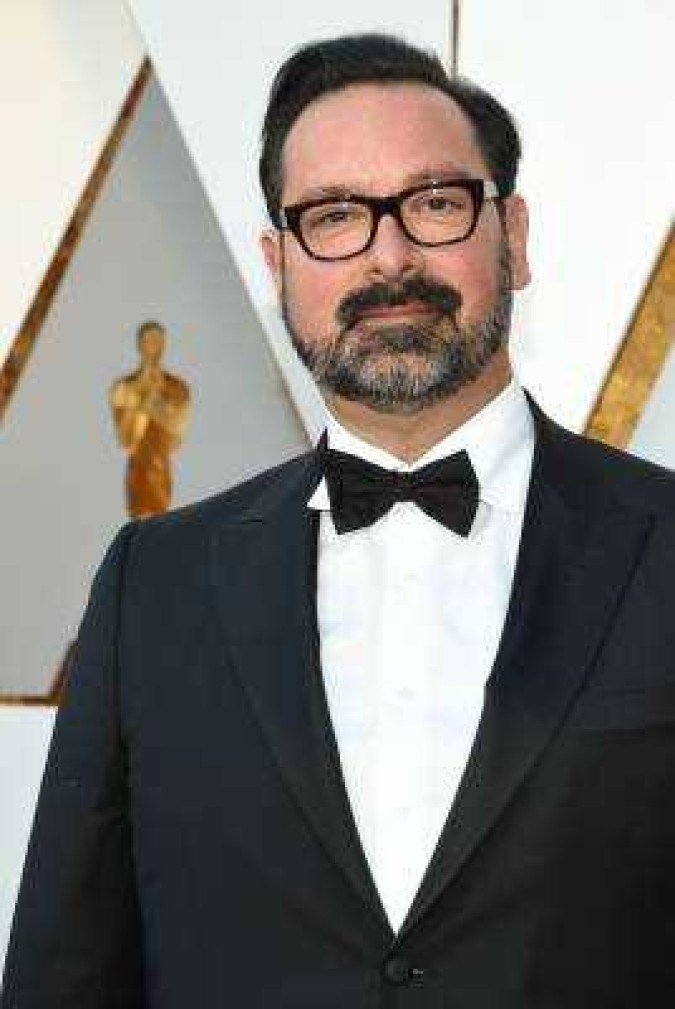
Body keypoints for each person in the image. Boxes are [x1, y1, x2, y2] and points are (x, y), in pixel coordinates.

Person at [3, 32, 675, 1009]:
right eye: (335, 217)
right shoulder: (155, 581)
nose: (389, 258)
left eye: (436, 204)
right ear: (277, 263)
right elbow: (65, 975)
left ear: (514, 237)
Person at [109, 322, 191, 518]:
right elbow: (126, 439)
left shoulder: (178, 387)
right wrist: (142, 399)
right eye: (148, 340)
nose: (153, 346)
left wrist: (148, 402)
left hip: (161, 470)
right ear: (139, 344)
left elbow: (176, 435)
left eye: (158, 341)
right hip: (138, 470)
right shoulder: (123, 387)